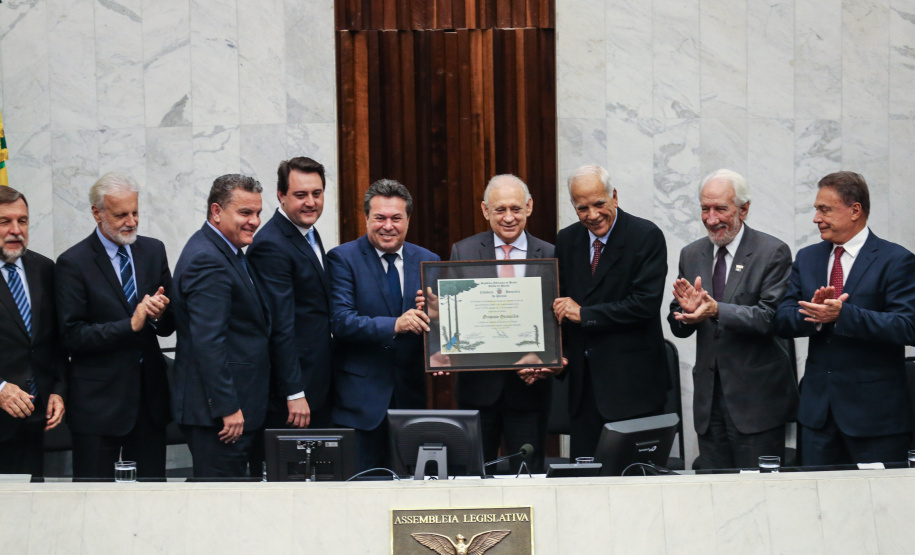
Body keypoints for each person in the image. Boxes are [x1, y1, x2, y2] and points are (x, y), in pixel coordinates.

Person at [775, 171, 915, 466]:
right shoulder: (807, 258)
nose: (816, 218)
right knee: (816, 495)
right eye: (816, 209)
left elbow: (908, 326)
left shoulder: (896, 260)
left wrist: (843, 315)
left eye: (825, 209)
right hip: (818, 417)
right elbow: (782, 319)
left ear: (855, 210)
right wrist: (813, 315)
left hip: (875, 419)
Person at [667, 169, 798, 470]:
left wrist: (716, 310)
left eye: (720, 209)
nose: (711, 219)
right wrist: (686, 315)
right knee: (714, 490)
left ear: (744, 209)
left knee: (757, 491)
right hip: (709, 403)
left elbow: (770, 317)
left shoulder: (772, 252)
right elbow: (679, 320)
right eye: (705, 208)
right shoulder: (692, 254)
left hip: (756, 403)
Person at [56, 172, 174, 479]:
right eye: (121, 215)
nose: (132, 222)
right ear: (97, 213)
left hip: (149, 403)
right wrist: (129, 325)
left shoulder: (153, 251)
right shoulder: (73, 263)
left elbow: (169, 325)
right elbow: (72, 336)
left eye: (135, 212)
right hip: (99, 406)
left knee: (151, 495)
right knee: (94, 498)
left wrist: (159, 314)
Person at [552, 165, 669, 459]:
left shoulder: (646, 236)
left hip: (633, 391)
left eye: (599, 203)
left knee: (635, 479)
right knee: (586, 479)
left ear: (614, 196)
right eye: (582, 208)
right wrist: (554, 354)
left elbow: (644, 305)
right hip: (584, 392)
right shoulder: (566, 240)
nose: (592, 215)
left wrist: (586, 314)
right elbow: (558, 305)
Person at [327, 179, 439, 471]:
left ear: (408, 220)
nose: (388, 226)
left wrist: (440, 340)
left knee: (408, 489)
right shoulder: (343, 258)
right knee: (361, 489)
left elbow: (438, 327)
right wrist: (396, 324)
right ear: (366, 218)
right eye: (380, 218)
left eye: (396, 218)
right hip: (359, 404)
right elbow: (342, 321)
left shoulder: (428, 261)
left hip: (410, 402)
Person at [448, 174, 555, 473]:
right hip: (477, 390)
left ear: (529, 207)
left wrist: (545, 358)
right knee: (474, 477)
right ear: (485, 210)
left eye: (516, 209)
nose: (509, 217)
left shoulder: (550, 254)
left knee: (528, 476)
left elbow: (555, 319)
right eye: (500, 210)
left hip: (529, 390)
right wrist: (440, 320)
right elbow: (456, 317)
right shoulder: (463, 252)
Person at [171, 174, 271, 477]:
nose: (254, 221)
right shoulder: (207, 258)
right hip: (221, 417)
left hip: (232, 410)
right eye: (245, 213)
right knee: (221, 500)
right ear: (216, 211)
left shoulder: (225, 250)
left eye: (258, 213)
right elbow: (208, 341)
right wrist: (227, 407)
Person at [0, 187, 66, 476]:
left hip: (35, 422)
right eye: (5, 222)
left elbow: (56, 340)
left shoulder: (44, 269)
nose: (16, 230)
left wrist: (58, 391)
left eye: (23, 221)